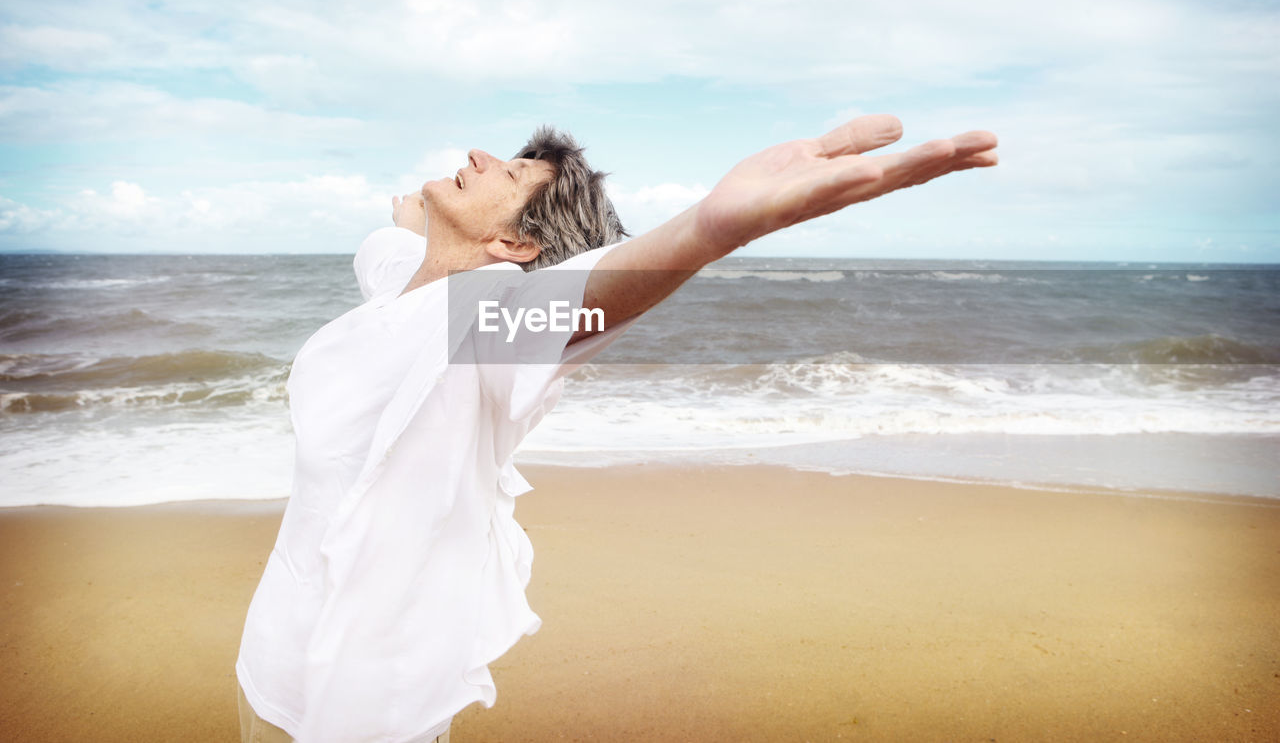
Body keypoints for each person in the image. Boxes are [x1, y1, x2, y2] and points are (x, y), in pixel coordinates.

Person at [235, 114, 998, 742]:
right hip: (271, 660)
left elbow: (584, 297)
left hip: (367, 709)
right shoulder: (401, 276)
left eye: (509, 172)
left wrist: (706, 230)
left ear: (517, 248)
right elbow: (392, 239)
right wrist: (417, 210)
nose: (478, 154)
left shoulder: (489, 322)